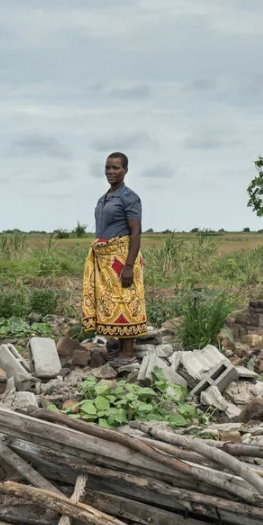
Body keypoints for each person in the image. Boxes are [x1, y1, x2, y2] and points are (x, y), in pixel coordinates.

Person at [82, 151, 147, 366]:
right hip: (105, 261)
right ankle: (118, 349)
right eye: (107, 168)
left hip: (122, 258)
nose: (110, 172)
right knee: (111, 302)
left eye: (116, 168)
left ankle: (128, 353)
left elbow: (135, 233)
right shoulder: (105, 198)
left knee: (126, 301)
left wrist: (128, 265)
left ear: (125, 171)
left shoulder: (129, 197)